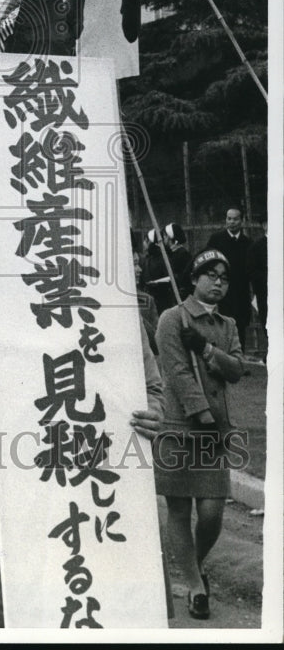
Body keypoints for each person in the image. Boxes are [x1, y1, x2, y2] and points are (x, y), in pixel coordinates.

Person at [0, 315, 166, 625]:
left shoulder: (121, 315)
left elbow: (153, 388)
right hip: (41, 475)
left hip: (110, 478)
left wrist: (153, 412)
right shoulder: (16, 309)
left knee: (113, 595)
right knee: (28, 591)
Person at [154, 249, 244, 621]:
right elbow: (176, 372)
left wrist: (205, 349)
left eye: (224, 277)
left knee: (211, 512)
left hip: (214, 432)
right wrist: (201, 412)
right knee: (179, 509)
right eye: (211, 275)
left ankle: (195, 564)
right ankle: (195, 587)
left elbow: (236, 369)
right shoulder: (171, 318)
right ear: (194, 279)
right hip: (179, 428)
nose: (218, 282)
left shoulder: (228, 325)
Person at [205, 207, 253, 351]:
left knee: (239, 327)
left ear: (242, 221)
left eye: (235, 219)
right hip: (220, 292)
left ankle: (239, 357)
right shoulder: (216, 240)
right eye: (229, 218)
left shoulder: (248, 243)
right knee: (220, 325)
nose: (231, 222)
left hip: (241, 293)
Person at [247, 219, 267, 357]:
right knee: (268, 323)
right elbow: (252, 271)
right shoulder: (256, 247)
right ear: (264, 225)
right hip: (266, 293)